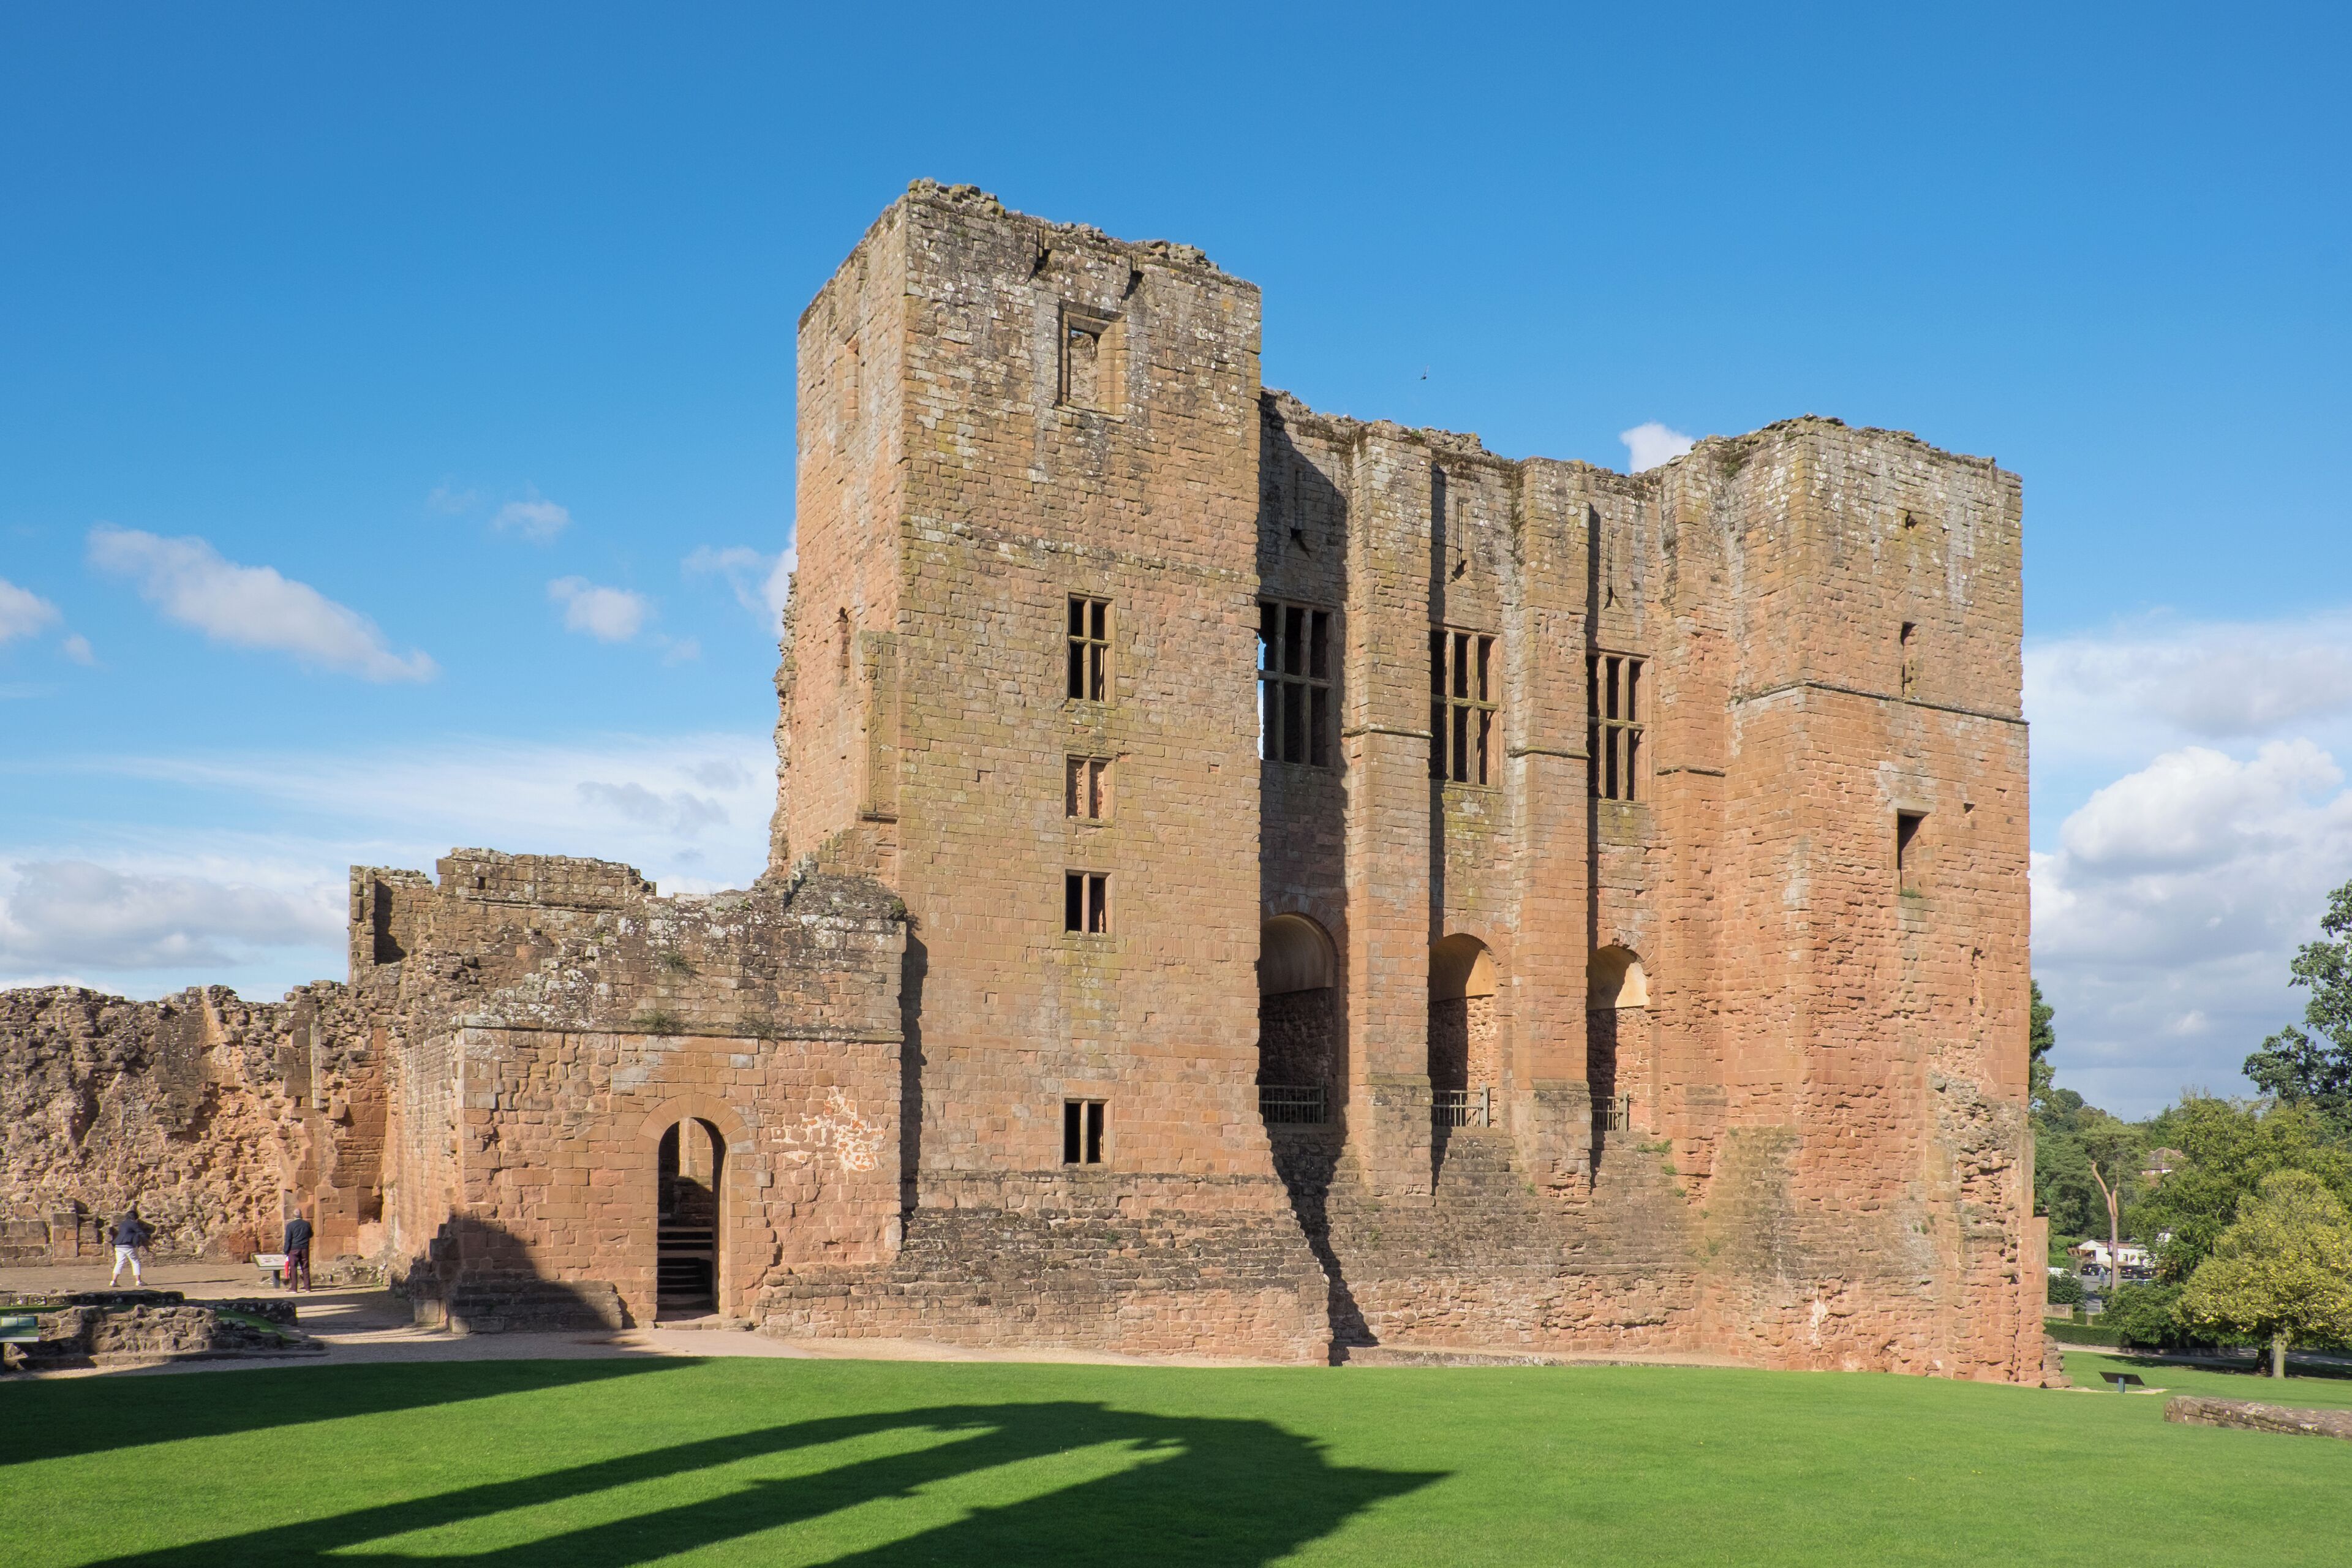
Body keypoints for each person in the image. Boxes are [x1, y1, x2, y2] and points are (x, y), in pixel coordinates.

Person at [107, 1207, 152, 1287]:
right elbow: (141, 1233)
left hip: (118, 1245)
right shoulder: (134, 1224)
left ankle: (114, 1281)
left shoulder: (122, 1224)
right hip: (129, 1246)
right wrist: (152, 1242)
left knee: (119, 1263)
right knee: (135, 1262)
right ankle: (138, 1281)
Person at [281, 1208, 314, 1293]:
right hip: (304, 1248)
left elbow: (288, 1239)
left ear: (293, 1215)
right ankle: (308, 1287)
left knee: (293, 1267)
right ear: (301, 1215)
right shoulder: (307, 1224)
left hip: (294, 1248)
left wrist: (286, 1250)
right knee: (305, 1267)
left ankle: (294, 1288)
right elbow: (311, 1234)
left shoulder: (290, 1225)